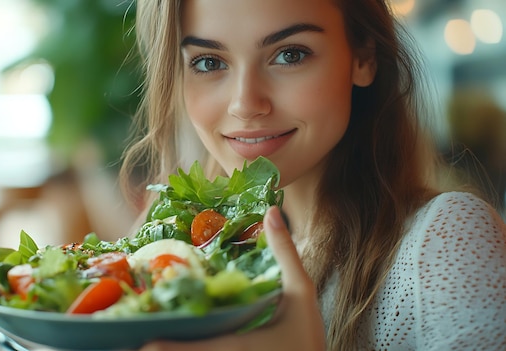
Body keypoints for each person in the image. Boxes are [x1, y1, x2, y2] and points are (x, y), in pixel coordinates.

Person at [117, 0, 506, 350]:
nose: (245, 105)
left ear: (364, 57)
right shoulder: (209, 263)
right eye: (208, 62)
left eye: (289, 54)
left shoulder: (444, 237)